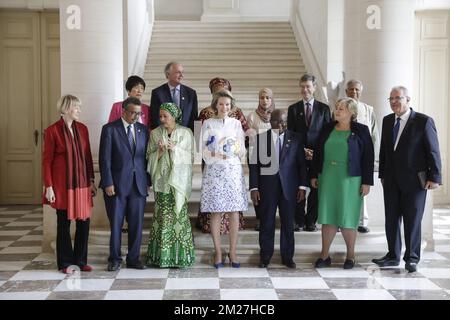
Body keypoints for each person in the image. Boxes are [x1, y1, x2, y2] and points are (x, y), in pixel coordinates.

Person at [372, 86, 441, 273]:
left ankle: (412, 258)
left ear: (408, 99)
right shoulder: (387, 121)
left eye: (398, 98)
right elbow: (384, 150)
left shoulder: (423, 121)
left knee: (412, 221)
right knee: (391, 219)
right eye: (391, 99)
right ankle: (393, 256)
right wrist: (383, 175)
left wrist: (434, 177)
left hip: (415, 182)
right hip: (391, 181)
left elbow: (433, 151)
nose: (394, 102)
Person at [311, 97, 374, 269]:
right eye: (336, 108)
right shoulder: (327, 128)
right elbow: (317, 152)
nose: (337, 111)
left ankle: (351, 256)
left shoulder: (361, 130)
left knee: (348, 218)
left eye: (341, 109)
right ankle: (324, 255)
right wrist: (314, 175)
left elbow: (368, 157)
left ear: (351, 113)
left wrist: (367, 181)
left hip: (351, 179)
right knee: (328, 216)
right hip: (328, 176)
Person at [43, 94, 96, 274]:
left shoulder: (83, 129)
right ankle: (65, 263)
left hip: (82, 183)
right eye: (76, 107)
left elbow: (88, 157)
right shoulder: (52, 131)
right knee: (63, 223)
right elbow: (47, 161)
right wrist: (48, 186)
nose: (79, 111)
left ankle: (81, 261)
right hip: (61, 185)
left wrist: (91, 180)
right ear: (66, 109)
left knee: (84, 222)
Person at [249, 109, 307, 269]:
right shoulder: (261, 139)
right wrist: (254, 187)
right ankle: (265, 256)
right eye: (276, 121)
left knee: (288, 223)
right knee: (266, 222)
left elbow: (302, 164)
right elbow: (254, 165)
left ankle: (288, 256)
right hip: (267, 188)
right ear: (270, 121)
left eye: (283, 122)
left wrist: (302, 186)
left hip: (290, 188)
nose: (280, 125)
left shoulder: (296, 138)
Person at [99, 97, 150, 271]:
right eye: (133, 112)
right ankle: (114, 259)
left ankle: (133, 258)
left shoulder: (143, 130)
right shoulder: (109, 129)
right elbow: (104, 159)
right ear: (123, 111)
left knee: (136, 224)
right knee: (116, 224)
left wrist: (147, 181)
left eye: (139, 113)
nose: (136, 116)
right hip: (116, 185)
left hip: (138, 185)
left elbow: (145, 158)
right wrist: (108, 182)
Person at [200, 90, 248, 268]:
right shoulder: (208, 124)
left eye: (227, 104)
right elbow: (203, 150)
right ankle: (218, 252)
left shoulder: (236, 124)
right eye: (221, 104)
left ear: (231, 106)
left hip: (233, 170)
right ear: (215, 105)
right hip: (214, 171)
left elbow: (242, 149)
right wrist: (217, 155)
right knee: (216, 211)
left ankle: (233, 251)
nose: (224, 107)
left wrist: (234, 150)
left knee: (234, 211)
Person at [146, 103, 195, 268]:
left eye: (165, 116)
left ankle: (181, 258)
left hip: (178, 184)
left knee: (179, 218)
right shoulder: (154, 133)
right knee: (162, 218)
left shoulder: (186, 132)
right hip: (162, 183)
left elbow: (190, 157)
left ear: (174, 116)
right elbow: (149, 156)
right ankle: (160, 257)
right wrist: (159, 151)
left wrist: (175, 149)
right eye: (160, 116)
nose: (162, 119)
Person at [287, 73, 331, 232]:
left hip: (318, 156)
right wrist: (301, 150)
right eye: (302, 86)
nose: (305, 89)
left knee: (316, 189)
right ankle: (298, 220)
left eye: (308, 86)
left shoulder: (324, 109)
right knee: (299, 187)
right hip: (299, 156)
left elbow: (327, 134)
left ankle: (311, 220)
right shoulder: (293, 109)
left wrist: (316, 152)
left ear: (314, 88)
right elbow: (290, 134)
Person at [108, 75, 150, 234]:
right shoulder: (117, 106)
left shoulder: (146, 108)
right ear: (128, 89)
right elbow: (112, 128)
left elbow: (149, 129)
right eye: (136, 87)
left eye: (142, 88)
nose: (140, 90)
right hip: (122, 156)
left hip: (138, 153)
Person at [346, 79, 380, 233]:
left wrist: (374, 158)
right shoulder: (341, 107)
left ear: (361, 91)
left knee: (361, 188)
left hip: (362, 155)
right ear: (346, 91)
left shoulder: (368, 109)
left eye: (357, 89)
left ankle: (362, 222)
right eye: (351, 89)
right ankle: (343, 220)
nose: (354, 92)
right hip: (344, 154)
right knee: (344, 188)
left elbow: (374, 134)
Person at [247, 88, 276, 232]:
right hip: (256, 154)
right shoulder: (252, 116)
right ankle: (260, 218)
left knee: (270, 188)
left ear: (272, 99)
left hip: (272, 156)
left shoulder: (276, 115)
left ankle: (270, 216)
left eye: (268, 98)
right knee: (258, 188)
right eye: (262, 97)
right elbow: (249, 137)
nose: (265, 100)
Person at [150, 61, 198, 132]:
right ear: (168, 74)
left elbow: (194, 118)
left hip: (185, 137)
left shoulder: (191, 93)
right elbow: (155, 118)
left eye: (182, 72)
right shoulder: (157, 93)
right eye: (178, 72)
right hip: (164, 136)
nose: (181, 75)